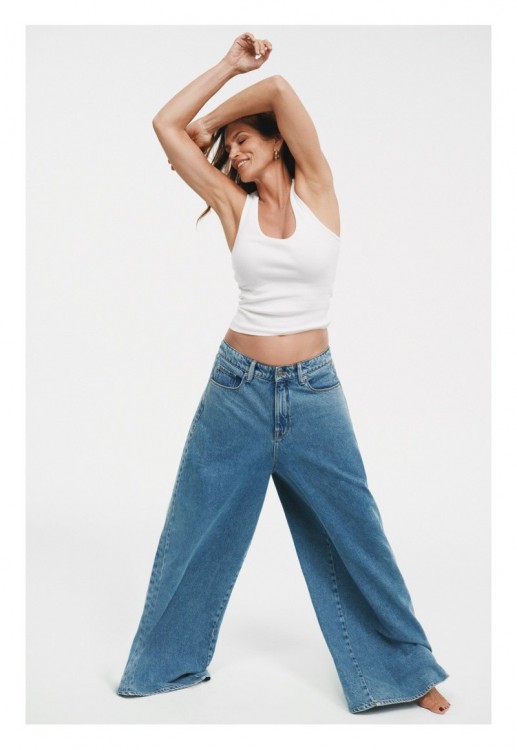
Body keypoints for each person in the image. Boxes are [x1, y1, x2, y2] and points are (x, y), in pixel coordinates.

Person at [116, 31, 451, 715]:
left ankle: (404, 673)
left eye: (244, 140)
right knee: (195, 528)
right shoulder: (231, 204)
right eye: (228, 146)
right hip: (235, 389)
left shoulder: (318, 191)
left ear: (276, 143)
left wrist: (222, 108)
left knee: (355, 528)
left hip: (314, 391)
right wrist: (222, 71)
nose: (233, 152)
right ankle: (161, 668)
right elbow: (164, 126)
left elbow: (276, 89)